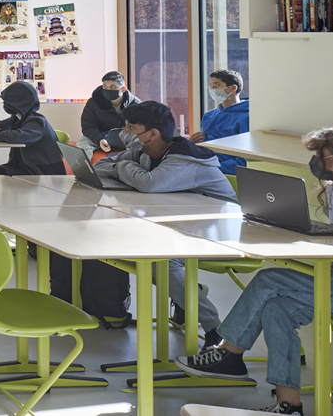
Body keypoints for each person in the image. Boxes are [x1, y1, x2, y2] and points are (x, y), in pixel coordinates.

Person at [176, 124, 333, 415]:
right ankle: (289, 405)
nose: (316, 162)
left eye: (321, 155)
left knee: (270, 278)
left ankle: (229, 354)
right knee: (278, 309)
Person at [95, 101, 236, 346]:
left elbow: (150, 184)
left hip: (221, 232)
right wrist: (126, 167)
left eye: (131, 128)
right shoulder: (147, 152)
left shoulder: (185, 158)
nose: (125, 133)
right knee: (129, 251)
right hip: (186, 226)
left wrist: (123, 166)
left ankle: (215, 329)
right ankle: (190, 296)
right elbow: (100, 166)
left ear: (152, 133)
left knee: (158, 260)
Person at [0, 81, 66, 176]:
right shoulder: (16, 119)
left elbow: (17, 137)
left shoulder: (37, 122)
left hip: (40, 172)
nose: (5, 105)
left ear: (18, 102)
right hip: (19, 167)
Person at [191, 69, 250, 174]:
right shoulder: (209, 116)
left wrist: (212, 169)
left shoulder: (245, 118)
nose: (212, 89)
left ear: (233, 88)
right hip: (202, 163)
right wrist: (192, 145)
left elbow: (244, 160)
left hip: (220, 170)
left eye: (216, 85)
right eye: (211, 85)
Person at [78, 71, 141, 154]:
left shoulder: (137, 105)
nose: (108, 89)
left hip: (127, 137)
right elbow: (88, 126)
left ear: (123, 89)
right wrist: (99, 140)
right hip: (103, 136)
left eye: (113, 87)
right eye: (105, 86)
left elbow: (143, 129)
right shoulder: (94, 102)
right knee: (83, 142)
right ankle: (85, 167)